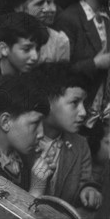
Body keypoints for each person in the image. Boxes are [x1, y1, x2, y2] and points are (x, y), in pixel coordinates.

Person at [32, 63, 103, 210]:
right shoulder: (25, 139)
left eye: (84, 103)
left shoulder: (80, 146)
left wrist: (87, 190)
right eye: (75, 102)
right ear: (47, 101)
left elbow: (84, 182)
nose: (83, 112)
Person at [56, 0, 110, 116]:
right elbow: (59, 71)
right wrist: (95, 64)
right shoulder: (69, 18)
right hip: (77, 113)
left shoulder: (106, 18)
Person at [0, 12, 48, 93]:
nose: (35, 57)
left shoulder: (36, 78)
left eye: (38, 48)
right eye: (26, 49)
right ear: (4, 49)